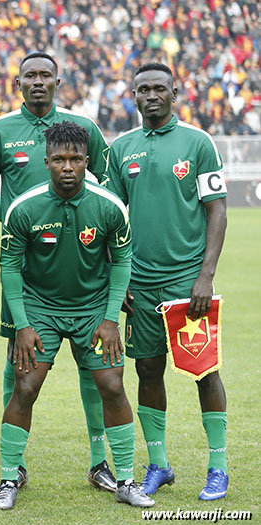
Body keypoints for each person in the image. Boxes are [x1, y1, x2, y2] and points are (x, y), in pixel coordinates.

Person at [0, 122, 153, 510]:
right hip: (41, 309)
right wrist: (24, 325)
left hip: (93, 308)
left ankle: (127, 480)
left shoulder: (109, 205)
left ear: (87, 162)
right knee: (25, 388)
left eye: (76, 159)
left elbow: (123, 260)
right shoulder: (23, 207)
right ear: (46, 162)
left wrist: (111, 317)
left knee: (112, 386)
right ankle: (9, 478)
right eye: (59, 159)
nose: (68, 167)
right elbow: (9, 267)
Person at [0, 51, 114, 492]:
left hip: (83, 265)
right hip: (26, 273)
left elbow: (109, 193)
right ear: (17, 82)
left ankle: (100, 461)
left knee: (93, 367)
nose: (37, 82)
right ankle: (12, 466)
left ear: (59, 79)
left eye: (45, 75)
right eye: (29, 76)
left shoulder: (84, 129)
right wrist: (19, 225)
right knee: (18, 362)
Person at [107, 63, 229, 500]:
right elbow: (110, 220)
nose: (151, 95)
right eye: (143, 89)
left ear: (175, 93)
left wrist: (205, 275)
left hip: (186, 282)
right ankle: (158, 463)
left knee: (204, 371)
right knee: (147, 368)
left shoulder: (198, 142)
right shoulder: (120, 148)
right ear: (133, 95)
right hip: (139, 282)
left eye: (160, 88)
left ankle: (219, 468)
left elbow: (217, 209)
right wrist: (118, 283)